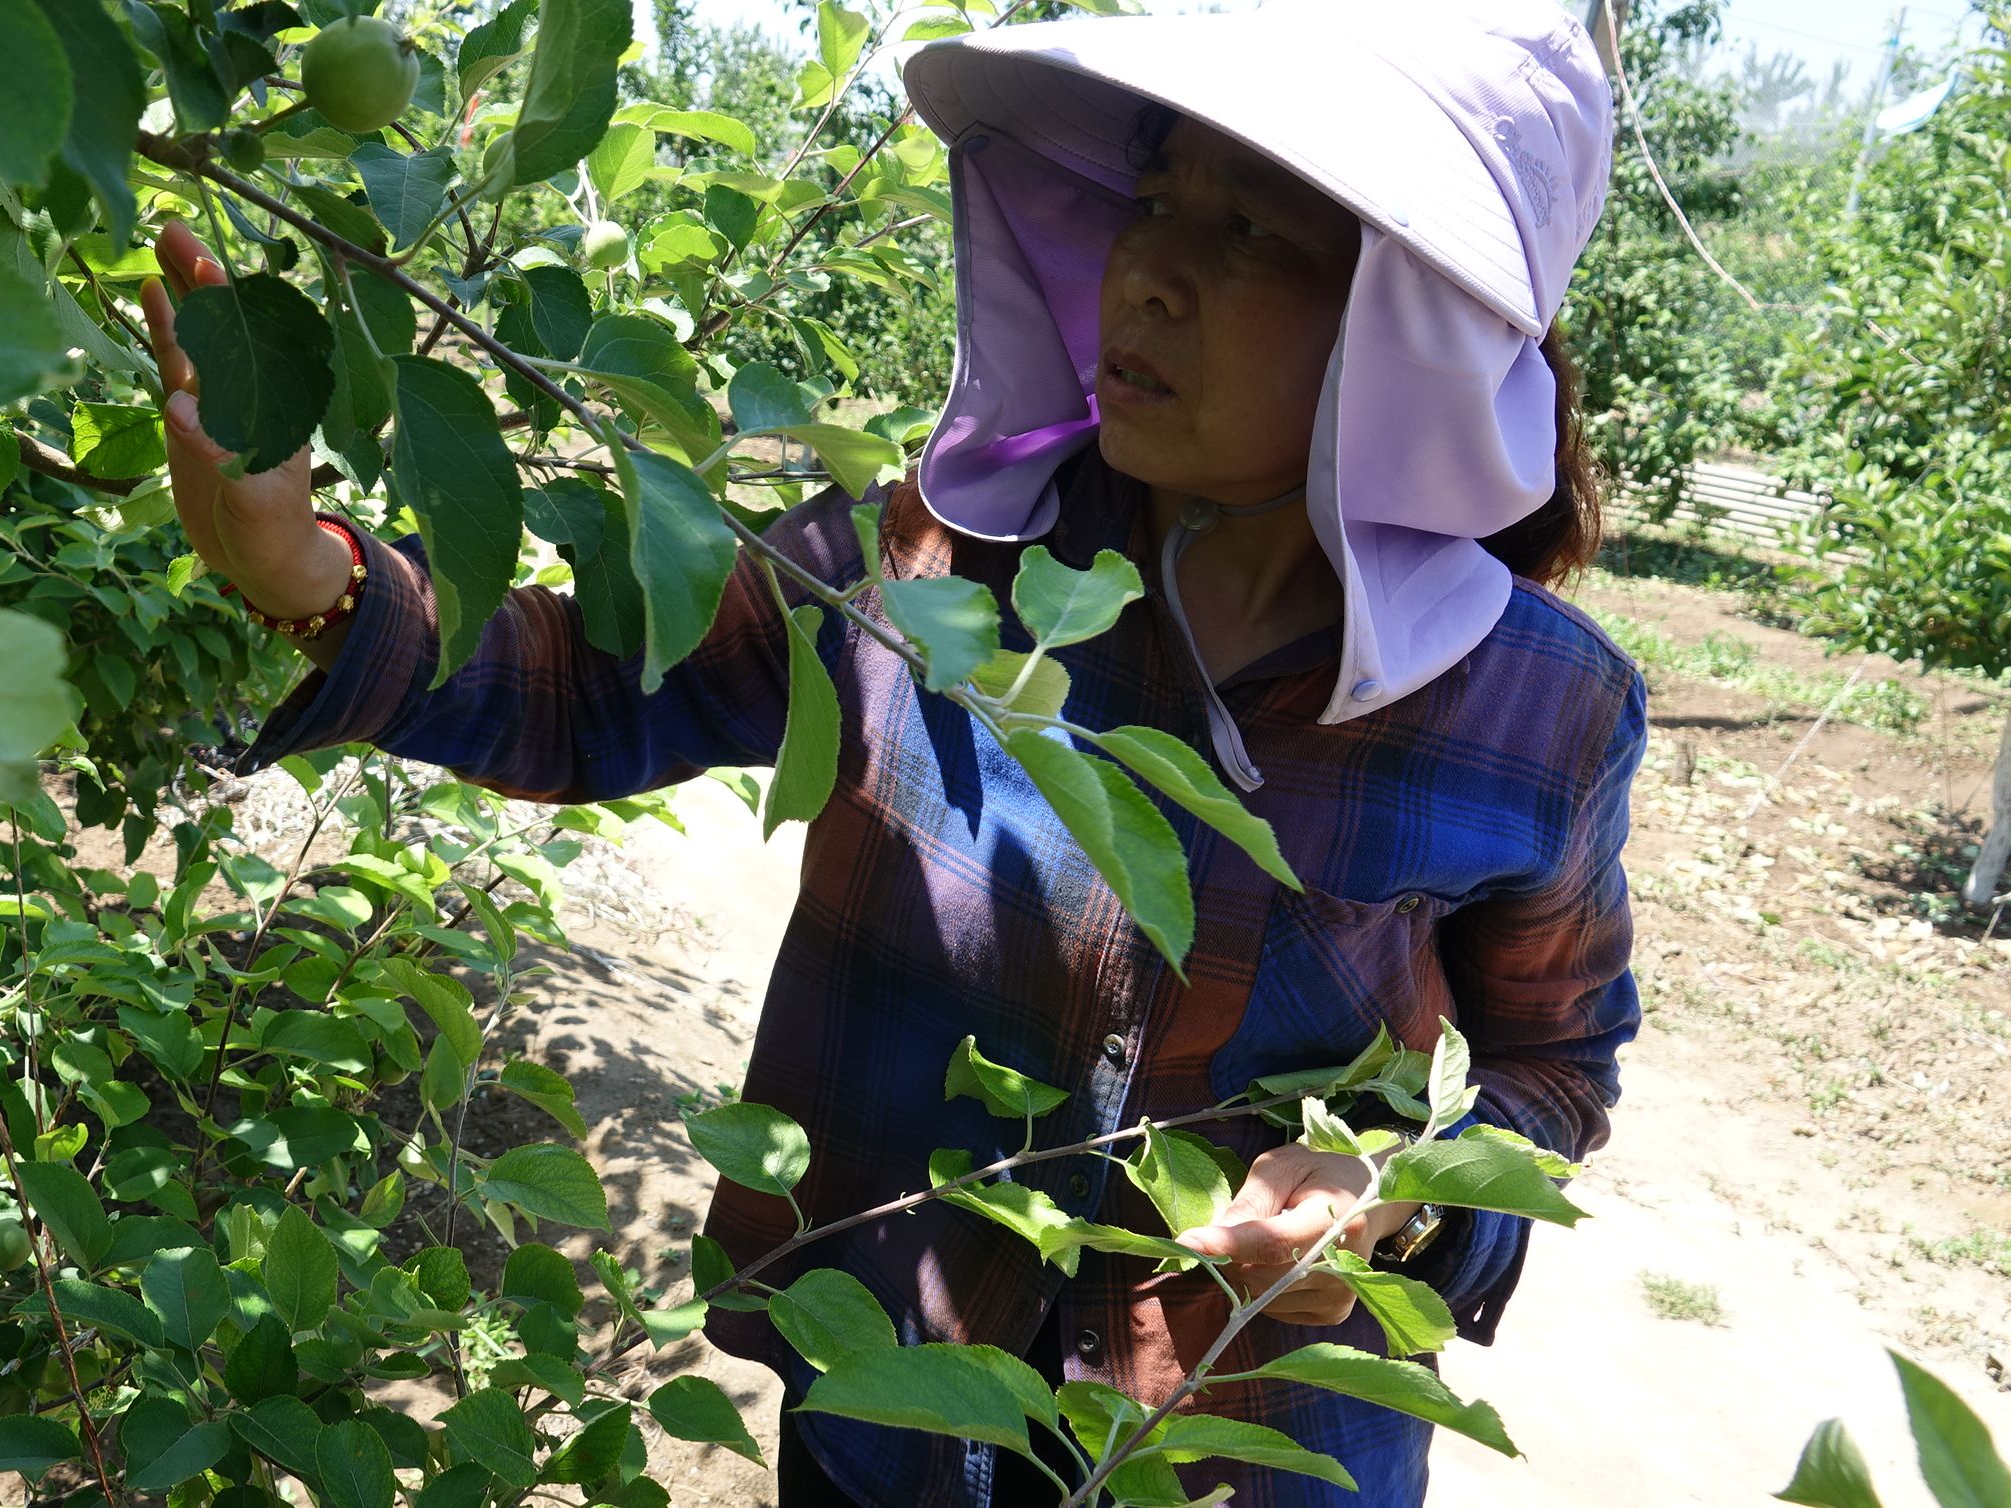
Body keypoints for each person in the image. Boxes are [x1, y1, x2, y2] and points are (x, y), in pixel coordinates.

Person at [138, 0, 1643, 1501]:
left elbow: (1553, 1060)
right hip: (896, 1414)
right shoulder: (918, 559)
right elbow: (596, 686)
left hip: (1253, 1446)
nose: (1150, 274)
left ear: (1422, 336)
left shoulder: (1531, 705)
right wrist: (316, 580)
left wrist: (1403, 1210)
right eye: (1157, 198)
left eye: (1253, 234)